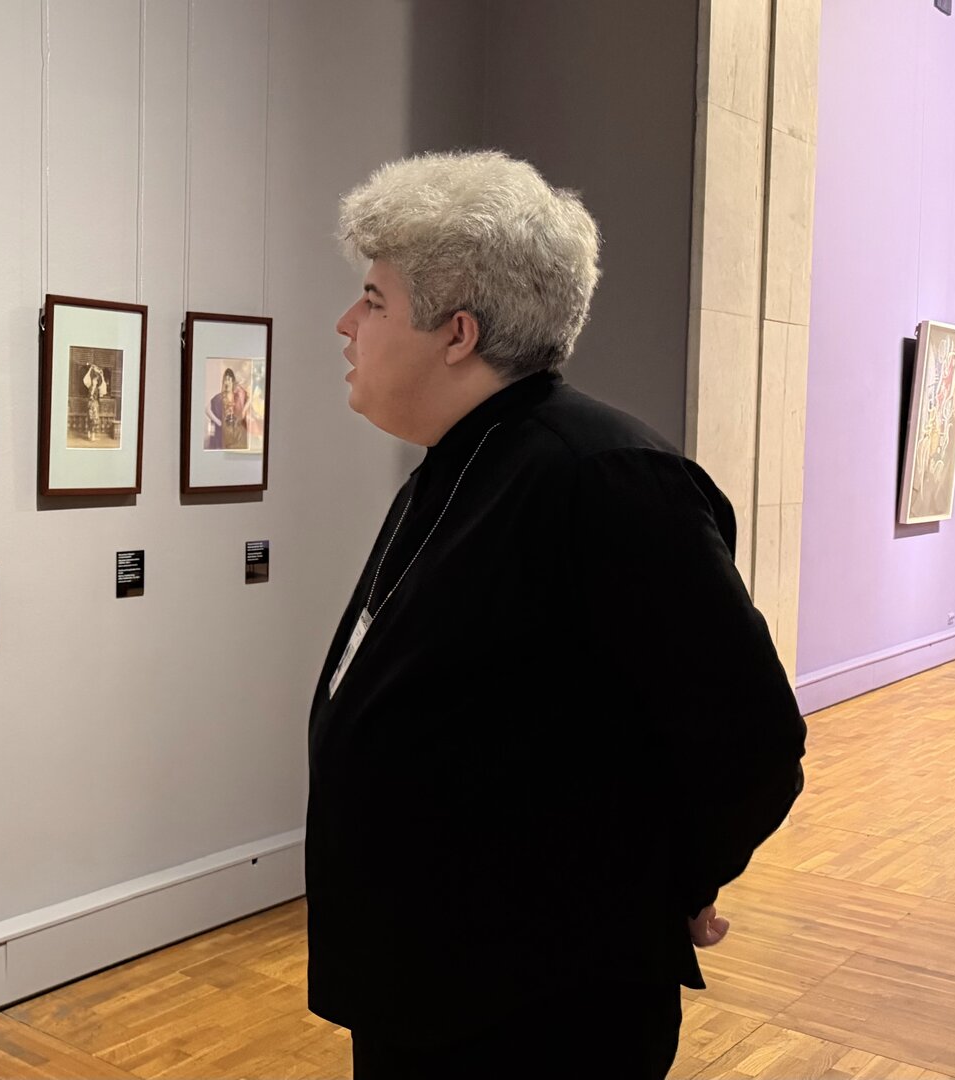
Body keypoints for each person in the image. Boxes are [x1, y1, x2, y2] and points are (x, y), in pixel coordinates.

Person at [310, 150, 806, 1078]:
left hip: (539, 1011)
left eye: (373, 301)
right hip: (430, 989)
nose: (346, 324)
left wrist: (671, 880)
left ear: (457, 333)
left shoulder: (604, 479)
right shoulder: (458, 464)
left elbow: (751, 739)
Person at [205, 367, 250, 450]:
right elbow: (207, 409)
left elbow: (249, 398)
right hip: (224, 436)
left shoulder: (238, 395)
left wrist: (243, 411)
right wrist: (218, 422)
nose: (227, 382)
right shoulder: (219, 397)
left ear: (233, 382)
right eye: (225, 379)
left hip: (237, 435)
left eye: (229, 379)